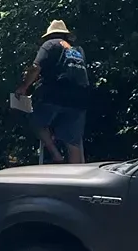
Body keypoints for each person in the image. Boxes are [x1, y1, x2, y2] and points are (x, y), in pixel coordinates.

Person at [15, 19, 89, 165]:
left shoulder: (50, 44)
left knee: (37, 122)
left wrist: (23, 87)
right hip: (80, 98)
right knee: (72, 141)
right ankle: (76, 178)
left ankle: (56, 155)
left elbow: (36, 68)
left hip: (54, 94)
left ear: (50, 35)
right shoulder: (77, 50)